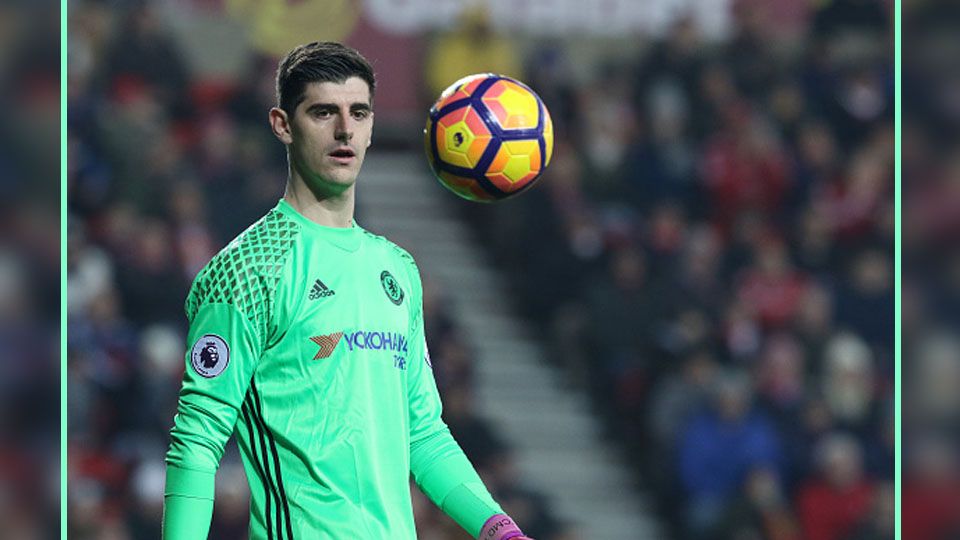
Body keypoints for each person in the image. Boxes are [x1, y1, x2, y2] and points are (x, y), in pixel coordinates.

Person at [162, 41, 532, 540]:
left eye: (358, 112)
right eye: (323, 112)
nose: (344, 130)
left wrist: (498, 529)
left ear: (373, 126)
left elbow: (423, 435)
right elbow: (198, 439)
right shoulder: (249, 269)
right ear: (282, 125)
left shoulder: (397, 270)